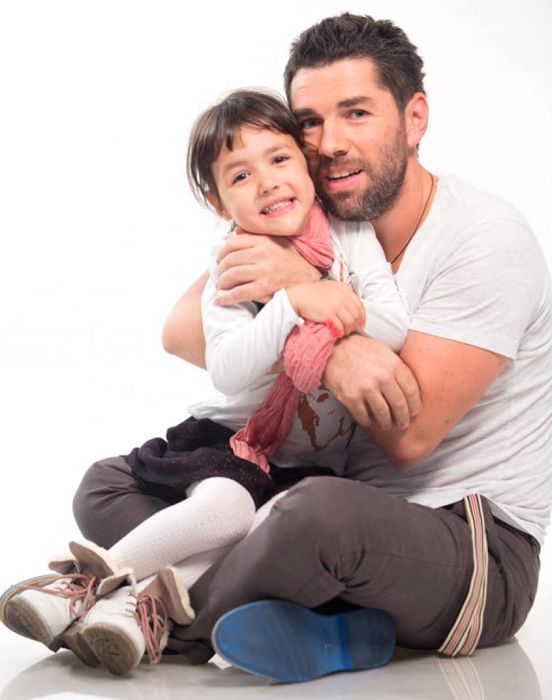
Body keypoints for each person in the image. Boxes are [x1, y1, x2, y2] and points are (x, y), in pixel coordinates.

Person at [2, 12, 552, 683]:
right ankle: (325, 625)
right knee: (114, 484)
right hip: (314, 509)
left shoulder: (485, 238)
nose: (330, 144)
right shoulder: (311, 219)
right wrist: (307, 304)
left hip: (467, 548)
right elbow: (182, 330)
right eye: (310, 122)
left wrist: (309, 305)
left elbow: (409, 437)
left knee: (308, 515)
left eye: (356, 113)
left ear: (414, 119)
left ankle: (121, 606)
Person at [0, 88, 407, 676]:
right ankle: (82, 585)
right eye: (241, 175)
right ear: (219, 203)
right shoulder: (235, 259)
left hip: (302, 472)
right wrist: (291, 303)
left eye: (280, 159)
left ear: (307, 166)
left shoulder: (350, 237)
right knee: (227, 509)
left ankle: (131, 612)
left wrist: (322, 289)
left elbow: (392, 327)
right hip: (233, 445)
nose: (267, 182)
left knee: (261, 538)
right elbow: (230, 368)